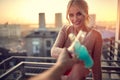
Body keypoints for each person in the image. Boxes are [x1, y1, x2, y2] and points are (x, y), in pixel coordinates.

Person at [51, 0, 103, 80]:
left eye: (79, 14)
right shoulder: (65, 29)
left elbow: (96, 68)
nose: (75, 19)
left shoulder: (96, 36)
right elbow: (53, 51)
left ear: (85, 13)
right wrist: (71, 52)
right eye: (71, 15)